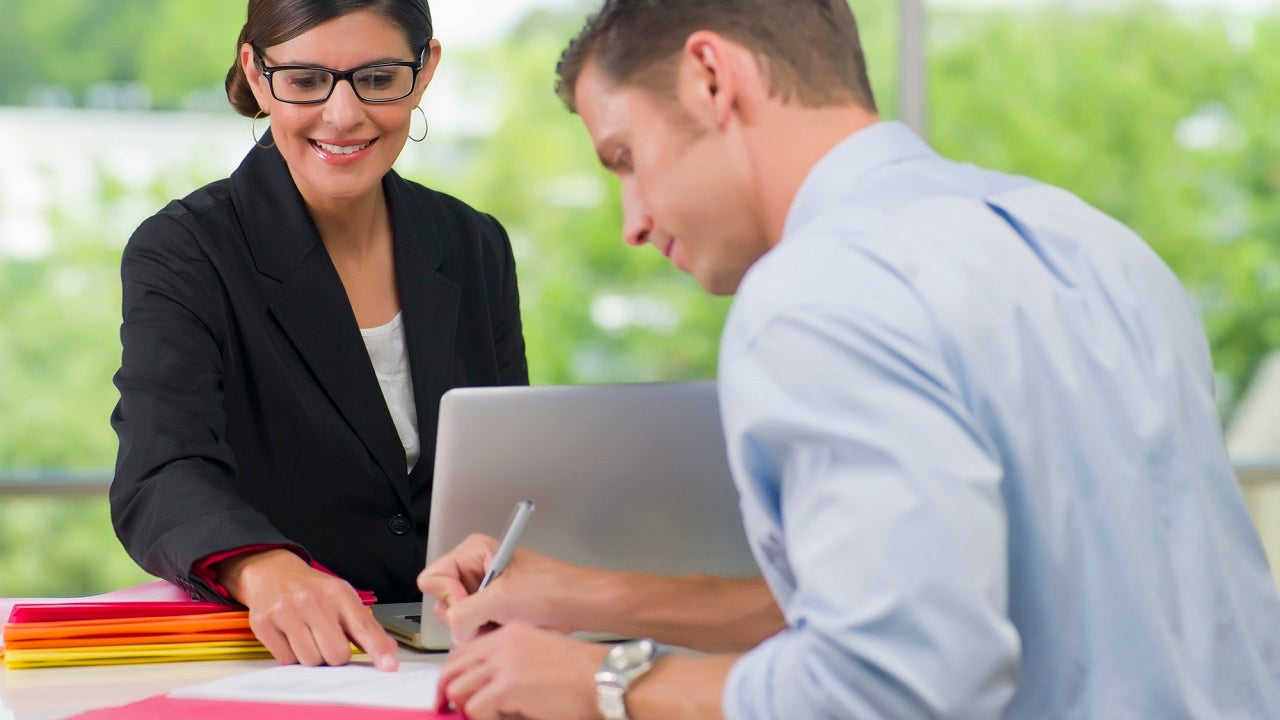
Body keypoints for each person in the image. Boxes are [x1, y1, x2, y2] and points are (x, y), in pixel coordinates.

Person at [417, 1, 1280, 718]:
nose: (632, 220)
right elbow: (920, 597)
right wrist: (585, 595)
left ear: (712, 77)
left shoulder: (818, 290)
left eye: (624, 158)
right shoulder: (1095, 244)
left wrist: (600, 684)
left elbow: (896, 683)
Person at [110, 0, 527, 672]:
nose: (342, 115)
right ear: (256, 72)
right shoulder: (185, 250)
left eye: (378, 78)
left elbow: (511, 464)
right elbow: (160, 471)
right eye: (305, 81)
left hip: (461, 651)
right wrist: (262, 567)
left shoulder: (472, 242)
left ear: (424, 71)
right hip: (290, 662)